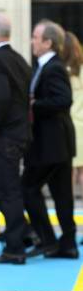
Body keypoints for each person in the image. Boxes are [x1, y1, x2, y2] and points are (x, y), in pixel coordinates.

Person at [0, 14, 32, 264]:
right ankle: (21, 231)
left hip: (5, 136)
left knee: (7, 189)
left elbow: (0, 98)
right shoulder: (19, 59)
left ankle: (15, 248)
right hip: (19, 133)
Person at [23, 20, 78, 259]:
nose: (32, 41)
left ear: (48, 42)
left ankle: (48, 240)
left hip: (52, 143)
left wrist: (34, 105)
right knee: (61, 193)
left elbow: (63, 100)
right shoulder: (42, 65)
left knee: (27, 188)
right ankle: (67, 244)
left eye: (36, 37)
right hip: (54, 143)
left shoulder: (53, 67)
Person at [63, 31, 83, 201]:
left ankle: (67, 204)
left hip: (69, 125)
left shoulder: (62, 72)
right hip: (82, 125)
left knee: (68, 172)